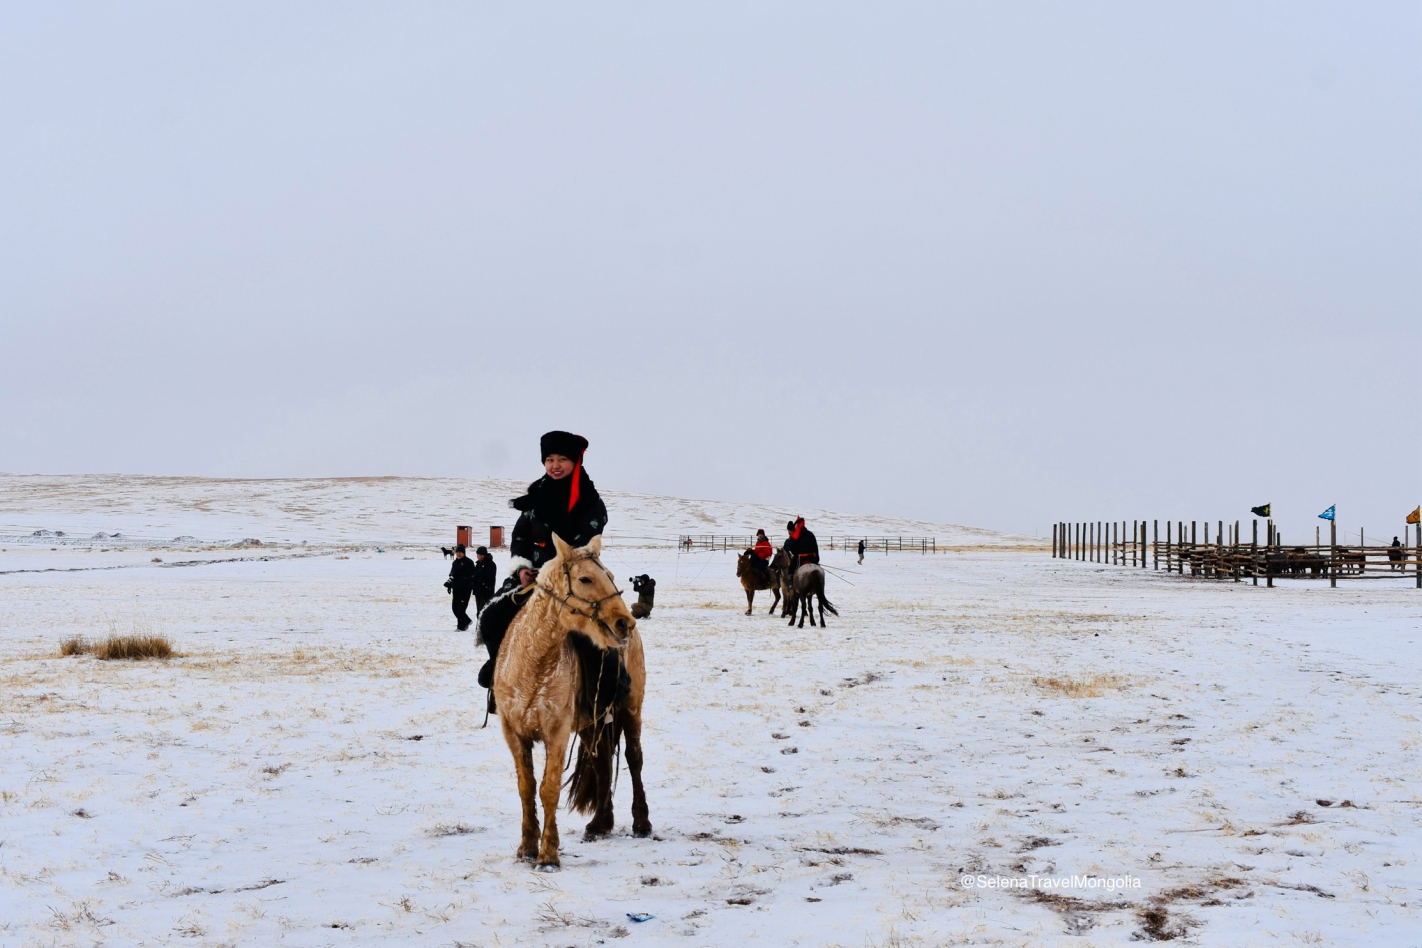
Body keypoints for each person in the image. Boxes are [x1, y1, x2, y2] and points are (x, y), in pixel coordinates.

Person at [475, 431, 624, 715]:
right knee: (492, 615)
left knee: (595, 625)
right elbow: (520, 535)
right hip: (530, 574)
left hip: (576, 575)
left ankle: (610, 689)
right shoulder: (536, 497)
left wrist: (552, 572)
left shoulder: (591, 502)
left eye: (563, 459)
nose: (555, 465)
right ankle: (500, 670)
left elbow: (584, 544)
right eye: (550, 459)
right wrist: (521, 568)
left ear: (576, 461)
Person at [446, 545, 476, 631]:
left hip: (465, 589)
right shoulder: (455, 563)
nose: (458, 554)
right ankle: (467, 621)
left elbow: (472, 575)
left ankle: (461, 627)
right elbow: (452, 574)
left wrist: (466, 581)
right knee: (454, 608)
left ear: (464, 553)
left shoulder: (469, 562)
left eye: (460, 552)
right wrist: (449, 584)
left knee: (461, 609)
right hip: (456, 588)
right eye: (457, 552)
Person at [472, 546, 497, 614]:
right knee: (479, 612)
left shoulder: (490, 565)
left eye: (478, 554)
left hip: (486, 593)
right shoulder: (478, 564)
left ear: (483, 555)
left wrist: (486, 588)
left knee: (483, 612)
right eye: (477, 554)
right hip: (478, 592)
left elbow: (490, 579)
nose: (477, 556)